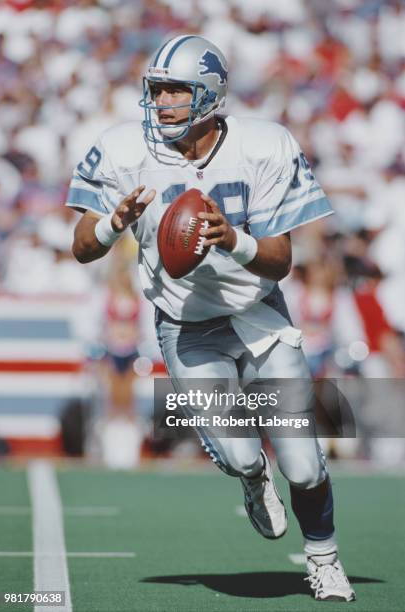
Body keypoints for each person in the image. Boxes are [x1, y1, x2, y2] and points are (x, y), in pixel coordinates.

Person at [66, 35, 355, 602]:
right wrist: (112, 223)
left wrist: (234, 239)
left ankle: (324, 558)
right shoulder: (126, 149)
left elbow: (282, 260)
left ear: (210, 96)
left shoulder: (264, 145)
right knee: (242, 454)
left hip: (259, 316)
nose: (163, 101)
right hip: (186, 325)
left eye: (176, 90)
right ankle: (251, 479)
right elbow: (81, 246)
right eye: (157, 89)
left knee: (302, 464)